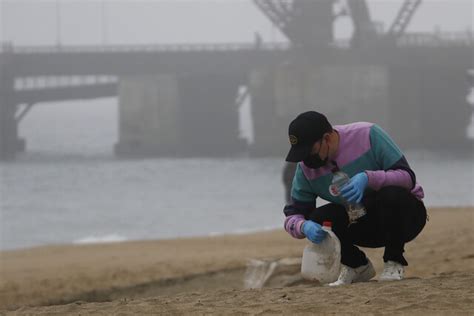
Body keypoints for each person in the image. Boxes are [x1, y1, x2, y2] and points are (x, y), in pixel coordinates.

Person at [283, 111, 427, 286]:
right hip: (362, 223)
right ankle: (357, 266)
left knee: (390, 194)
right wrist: (303, 226)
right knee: (319, 217)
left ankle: (394, 262)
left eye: (309, 151)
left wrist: (368, 178)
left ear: (327, 138)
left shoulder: (368, 134)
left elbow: (407, 178)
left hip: (405, 219)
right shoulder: (306, 170)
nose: (306, 160)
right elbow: (294, 215)